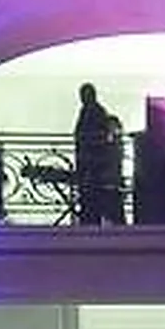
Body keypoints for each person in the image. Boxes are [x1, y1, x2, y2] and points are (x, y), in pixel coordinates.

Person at [73, 83, 111, 225]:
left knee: (90, 194)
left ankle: (89, 219)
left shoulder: (94, 111)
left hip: (91, 161)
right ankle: (89, 218)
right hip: (89, 160)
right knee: (89, 194)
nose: (82, 98)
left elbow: (97, 135)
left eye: (83, 95)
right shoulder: (93, 110)